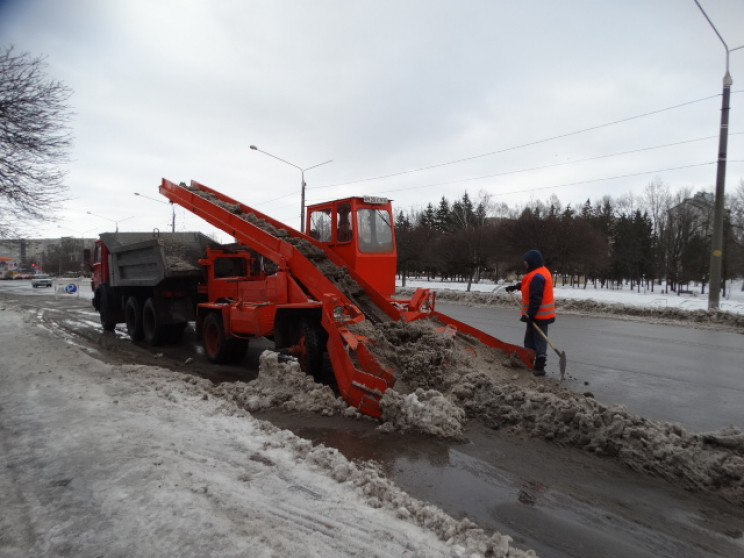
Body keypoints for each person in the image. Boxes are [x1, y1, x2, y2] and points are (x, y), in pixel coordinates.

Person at [505, 250, 555, 376]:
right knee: (530, 339)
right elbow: (528, 284)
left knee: (539, 340)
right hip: (536, 314)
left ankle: (539, 366)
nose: (525, 264)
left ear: (532, 262)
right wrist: (516, 287)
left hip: (540, 315)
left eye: (526, 262)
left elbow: (535, 298)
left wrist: (531, 315)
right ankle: (529, 360)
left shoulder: (538, 276)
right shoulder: (538, 272)